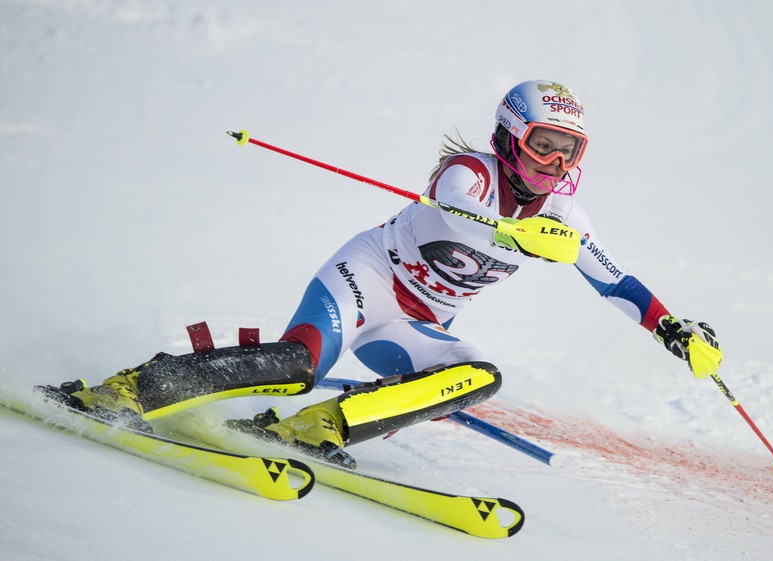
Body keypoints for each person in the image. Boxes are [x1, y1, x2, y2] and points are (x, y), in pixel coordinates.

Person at [57, 79, 721, 466]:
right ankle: (134, 385)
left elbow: (615, 282)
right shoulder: (472, 172)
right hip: (365, 278)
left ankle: (318, 427)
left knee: (479, 374)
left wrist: (672, 330)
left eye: (565, 150)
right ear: (509, 137)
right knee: (298, 363)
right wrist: (520, 232)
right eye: (541, 145)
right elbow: (458, 206)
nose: (551, 162)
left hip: (414, 322)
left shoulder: (567, 216)